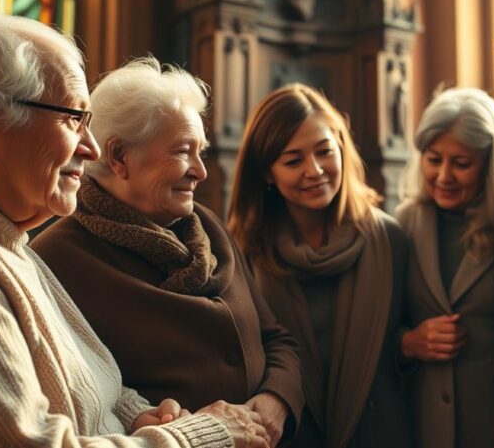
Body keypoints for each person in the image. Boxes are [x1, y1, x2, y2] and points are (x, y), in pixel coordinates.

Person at [0, 10, 268, 447]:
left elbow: (77, 384)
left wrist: (135, 414)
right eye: (73, 118)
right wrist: (196, 437)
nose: (90, 146)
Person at [30, 57, 303, 447]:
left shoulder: (209, 225)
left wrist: (276, 401)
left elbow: (276, 338)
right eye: (182, 152)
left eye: (201, 152)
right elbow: (74, 394)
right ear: (120, 156)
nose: (201, 171)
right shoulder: (56, 258)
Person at [227, 84, 411, 448]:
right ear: (267, 173)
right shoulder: (242, 249)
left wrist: (408, 343)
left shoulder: (390, 238)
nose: (315, 171)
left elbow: (408, 342)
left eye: (325, 152)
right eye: (293, 160)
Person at [395, 87, 494, 447]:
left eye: (461, 163)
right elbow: (374, 327)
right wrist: (407, 343)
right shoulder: (403, 223)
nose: (443, 176)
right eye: (433, 159)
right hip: (421, 422)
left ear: (490, 164)